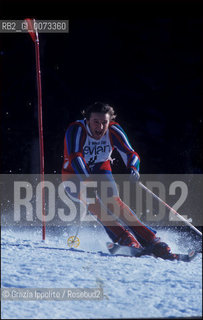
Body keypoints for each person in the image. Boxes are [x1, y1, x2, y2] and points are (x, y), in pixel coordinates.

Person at [62, 101, 176, 259]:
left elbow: (131, 153)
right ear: (87, 120)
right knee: (94, 203)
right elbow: (76, 157)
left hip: (101, 170)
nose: (100, 128)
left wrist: (133, 168)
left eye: (104, 123)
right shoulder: (76, 129)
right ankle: (125, 238)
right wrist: (88, 181)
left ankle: (151, 239)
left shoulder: (114, 130)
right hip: (73, 175)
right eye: (96, 122)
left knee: (114, 203)